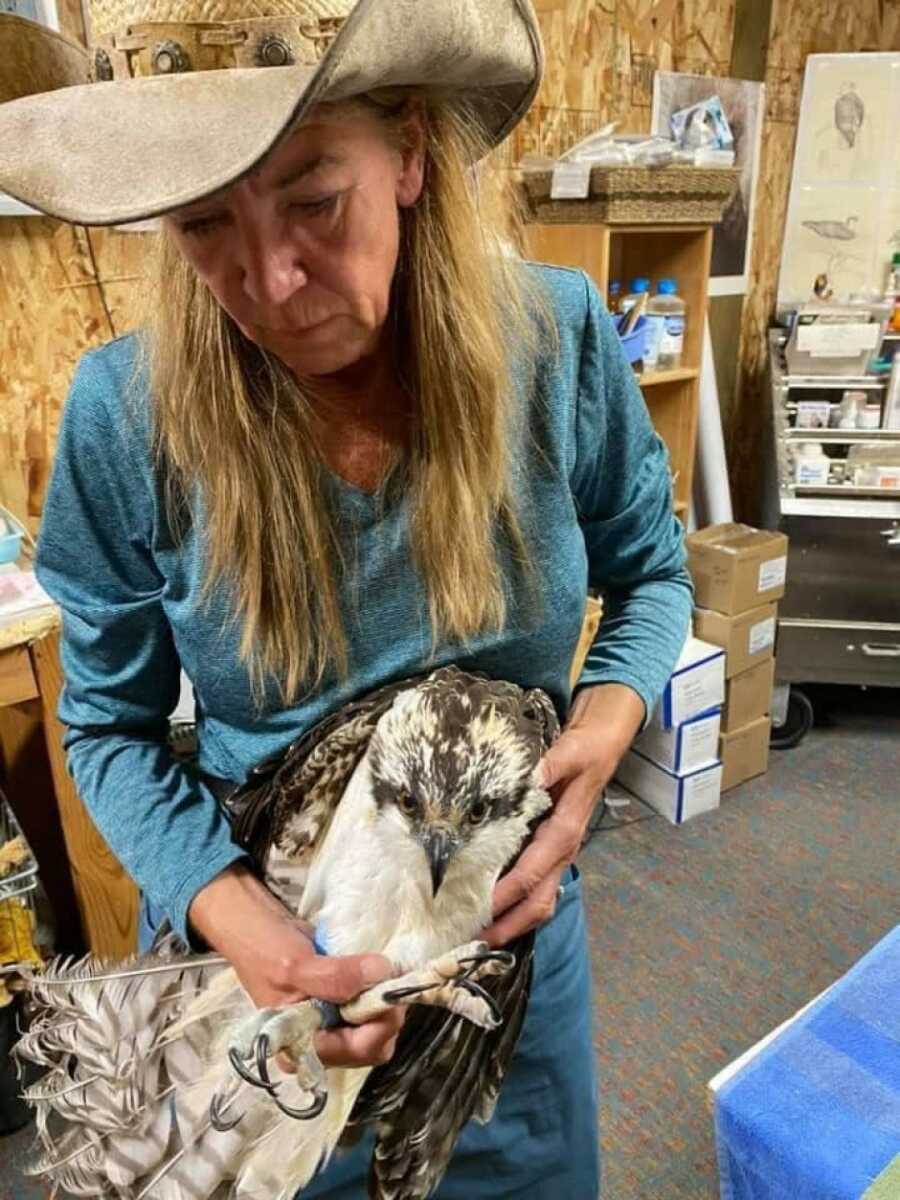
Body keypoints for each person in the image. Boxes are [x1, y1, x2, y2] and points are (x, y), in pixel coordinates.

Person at [1, 1, 692, 1195]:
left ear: (412, 153)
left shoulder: (558, 342)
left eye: (316, 199)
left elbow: (654, 575)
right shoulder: (126, 417)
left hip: (503, 969)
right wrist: (247, 931)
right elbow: (108, 730)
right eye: (206, 221)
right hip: (268, 988)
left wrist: (606, 727)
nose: (269, 280)